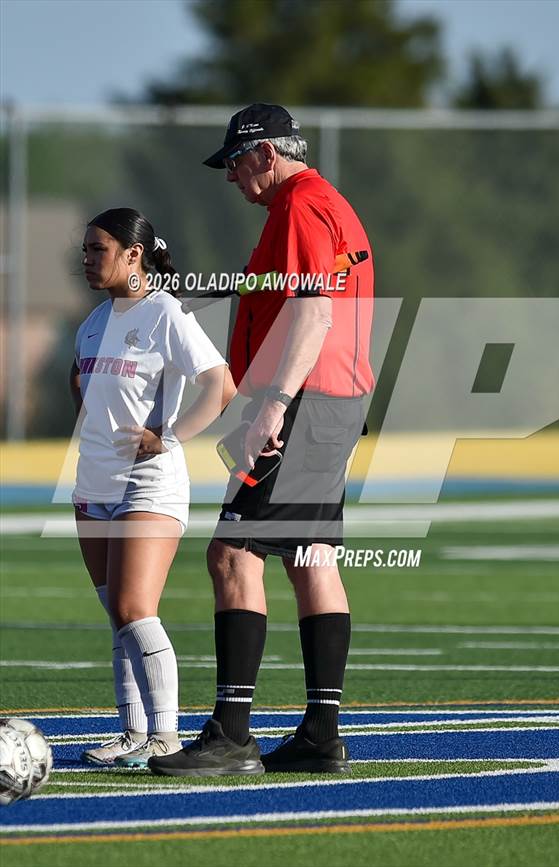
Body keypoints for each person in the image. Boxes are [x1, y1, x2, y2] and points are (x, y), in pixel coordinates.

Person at [149, 104, 374, 777]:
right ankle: (320, 731)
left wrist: (273, 404)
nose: (231, 179)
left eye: (236, 164)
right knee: (311, 557)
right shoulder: (324, 203)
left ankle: (233, 732)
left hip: (305, 400)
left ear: (266, 154)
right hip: (335, 397)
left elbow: (312, 307)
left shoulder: (301, 207)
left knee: (230, 555)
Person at [71, 208, 235, 767]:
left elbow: (221, 384)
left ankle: (166, 735)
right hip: (93, 481)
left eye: (99, 249)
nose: (87, 259)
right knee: (116, 614)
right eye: (86, 250)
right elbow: (86, 390)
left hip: (149, 481)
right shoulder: (92, 322)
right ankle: (132, 732)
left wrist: (167, 436)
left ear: (134, 254)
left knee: (134, 606)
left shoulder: (166, 312)